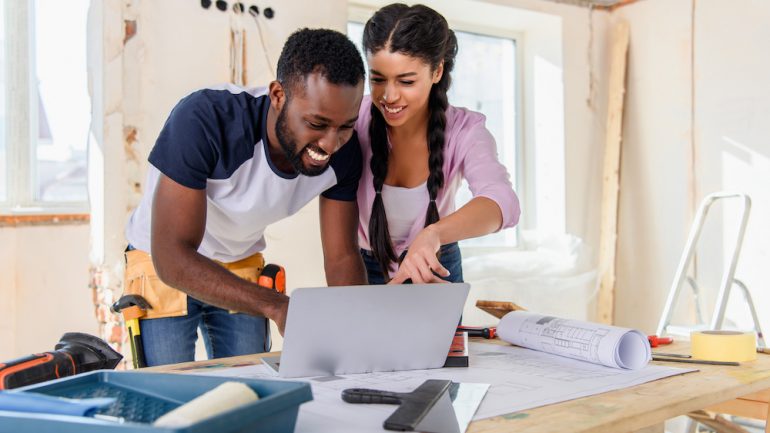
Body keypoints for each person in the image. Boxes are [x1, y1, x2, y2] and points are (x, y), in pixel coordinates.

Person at [123, 28, 367, 367]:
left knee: (250, 387)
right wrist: (277, 305)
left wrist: (361, 335)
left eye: (345, 126)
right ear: (278, 95)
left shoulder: (345, 152)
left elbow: (342, 257)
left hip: (239, 259)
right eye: (316, 123)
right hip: (161, 259)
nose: (330, 143)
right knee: (168, 391)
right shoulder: (205, 119)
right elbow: (173, 256)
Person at [356, 4, 521, 285]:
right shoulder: (353, 118)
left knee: (449, 333)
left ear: (437, 72)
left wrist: (434, 234)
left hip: (435, 263)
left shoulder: (465, 130)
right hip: (364, 264)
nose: (389, 95)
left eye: (406, 81)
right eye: (378, 79)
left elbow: (503, 203)